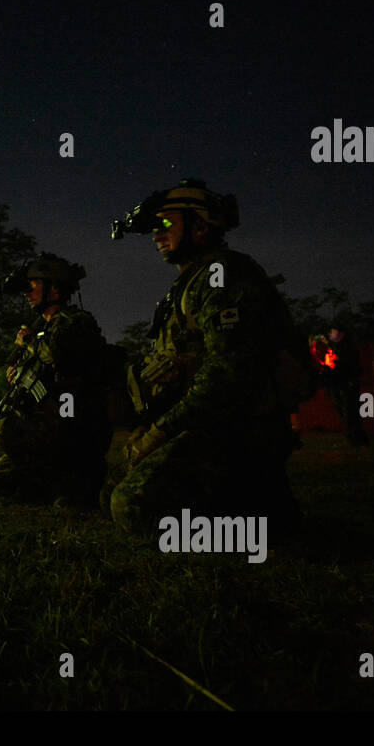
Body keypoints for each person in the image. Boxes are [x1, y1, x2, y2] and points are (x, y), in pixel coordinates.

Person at [103, 179, 302, 538]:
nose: (156, 236)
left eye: (166, 224)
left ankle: (257, 518)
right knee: (107, 492)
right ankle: (257, 505)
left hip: (235, 430)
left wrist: (160, 433)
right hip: (202, 425)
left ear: (200, 226)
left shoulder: (222, 276)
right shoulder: (190, 283)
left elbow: (229, 375)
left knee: (131, 506)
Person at [0, 253, 113, 507]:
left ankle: (78, 480)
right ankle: (51, 483)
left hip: (75, 428)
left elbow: (56, 354)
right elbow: (17, 368)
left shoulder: (77, 322)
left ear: (54, 291)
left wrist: (28, 342)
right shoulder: (41, 329)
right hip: (48, 424)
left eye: (33, 287)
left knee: (7, 429)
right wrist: (16, 374)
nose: (27, 294)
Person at [326, 323, 370, 446]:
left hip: (347, 383)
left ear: (341, 334)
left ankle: (357, 439)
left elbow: (346, 366)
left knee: (350, 411)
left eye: (332, 331)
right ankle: (355, 438)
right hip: (338, 383)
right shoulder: (335, 348)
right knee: (345, 411)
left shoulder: (347, 349)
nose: (330, 334)